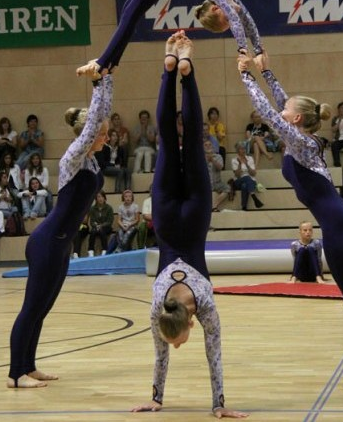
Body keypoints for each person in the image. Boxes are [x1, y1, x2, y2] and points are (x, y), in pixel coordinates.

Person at [238, 50, 343, 391]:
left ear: (294, 120)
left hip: (339, 229)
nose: (282, 110)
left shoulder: (299, 141)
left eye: (287, 111)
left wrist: (246, 75)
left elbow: (267, 112)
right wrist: (268, 72)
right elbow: (282, 105)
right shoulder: (304, 139)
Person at [132, 32, 247, 418]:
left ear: (188, 321)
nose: (176, 346)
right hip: (166, 217)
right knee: (169, 142)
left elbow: (213, 354)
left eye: (176, 342)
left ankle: (186, 69)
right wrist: (163, 399)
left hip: (193, 217)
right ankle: (171, 69)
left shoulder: (206, 307)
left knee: (192, 142)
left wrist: (217, 404)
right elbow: (166, 354)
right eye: (179, 341)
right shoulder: (157, 309)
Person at [7, 71, 112, 389]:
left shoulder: (92, 161)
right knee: (31, 308)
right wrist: (96, 85)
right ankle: (15, 374)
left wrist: (106, 79)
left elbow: (103, 113)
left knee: (43, 308)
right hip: (47, 242)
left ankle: (29, 365)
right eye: (102, 134)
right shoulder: (73, 159)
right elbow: (95, 119)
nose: (106, 137)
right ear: (87, 135)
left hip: (62, 244)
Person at [77, 0, 262, 77]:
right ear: (215, 9)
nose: (232, 20)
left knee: (130, 14)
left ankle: (106, 63)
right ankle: (106, 63)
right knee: (128, 12)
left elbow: (248, 22)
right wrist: (243, 51)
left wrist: (259, 50)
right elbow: (240, 21)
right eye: (227, 20)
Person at [95, 128, 131, 193]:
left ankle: (128, 190)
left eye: (116, 136)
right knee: (120, 171)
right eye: (113, 135)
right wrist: (114, 165)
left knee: (127, 170)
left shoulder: (119, 148)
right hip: (105, 168)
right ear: (109, 137)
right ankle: (117, 190)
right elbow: (102, 163)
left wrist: (122, 149)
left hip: (115, 167)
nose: (115, 137)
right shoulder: (104, 147)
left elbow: (122, 161)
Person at [231, 141, 264, 211]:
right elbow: (237, 175)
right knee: (246, 177)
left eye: (244, 149)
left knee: (244, 186)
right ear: (237, 150)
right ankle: (253, 196)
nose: (243, 150)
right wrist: (240, 164)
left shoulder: (250, 158)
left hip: (251, 181)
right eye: (241, 149)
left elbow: (253, 173)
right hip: (238, 181)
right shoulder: (234, 160)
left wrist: (247, 164)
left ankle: (244, 207)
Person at [204, 140, 231, 212]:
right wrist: (206, 160)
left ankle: (214, 206)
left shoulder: (218, 156)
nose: (208, 146)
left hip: (217, 183)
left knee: (228, 188)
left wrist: (212, 160)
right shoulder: (200, 157)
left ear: (212, 147)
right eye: (206, 145)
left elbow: (220, 167)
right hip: (205, 183)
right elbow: (198, 169)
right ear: (203, 147)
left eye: (209, 144)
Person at [109, 189, 139, 253]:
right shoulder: (120, 207)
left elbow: (137, 220)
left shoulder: (135, 206)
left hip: (132, 226)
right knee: (120, 234)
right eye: (126, 196)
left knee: (126, 235)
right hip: (123, 225)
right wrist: (123, 226)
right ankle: (125, 250)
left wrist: (129, 225)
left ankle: (119, 249)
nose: (128, 198)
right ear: (123, 197)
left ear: (132, 197)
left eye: (129, 196)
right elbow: (119, 220)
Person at [87, 190, 114, 257]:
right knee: (92, 231)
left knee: (102, 230)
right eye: (98, 197)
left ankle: (105, 250)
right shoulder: (92, 208)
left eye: (102, 197)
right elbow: (92, 221)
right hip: (96, 227)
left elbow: (110, 221)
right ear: (96, 199)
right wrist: (96, 225)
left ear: (104, 198)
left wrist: (101, 225)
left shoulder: (109, 208)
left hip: (106, 227)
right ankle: (90, 251)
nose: (100, 198)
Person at [137, 185, 156, 249]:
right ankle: (141, 248)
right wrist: (156, 217)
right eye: (152, 189)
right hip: (148, 223)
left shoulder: (162, 201)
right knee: (142, 227)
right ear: (150, 191)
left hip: (159, 222)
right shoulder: (146, 201)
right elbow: (145, 216)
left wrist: (153, 216)